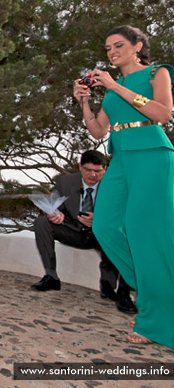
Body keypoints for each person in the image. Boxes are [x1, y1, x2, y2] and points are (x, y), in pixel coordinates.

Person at [74, 25, 174, 348]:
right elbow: (98, 131)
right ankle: (150, 287)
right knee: (103, 224)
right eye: (107, 48)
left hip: (152, 154)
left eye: (118, 45)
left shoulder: (157, 73)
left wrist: (115, 86)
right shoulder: (111, 91)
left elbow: (162, 113)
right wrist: (85, 103)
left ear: (138, 46)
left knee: (143, 230)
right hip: (120, 159)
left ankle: (153, 320)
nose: (112, 52)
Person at [30, 150, 137, 314]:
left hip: (103, 234)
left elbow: (128, 214)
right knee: (42, 222)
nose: (92, 175)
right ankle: (51, 276)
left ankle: (112, 287)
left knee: (117, 233)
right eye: (88, 170)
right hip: (75, 232)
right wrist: (56, 215)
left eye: (98, 171)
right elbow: (56, 206)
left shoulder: (115, 185)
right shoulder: (65, 182)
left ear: (105, 169)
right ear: (80, 167)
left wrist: (100, 219)